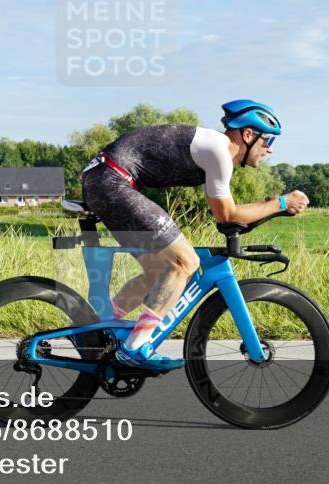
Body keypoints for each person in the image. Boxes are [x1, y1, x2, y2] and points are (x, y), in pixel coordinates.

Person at [80, 100, 309, 371]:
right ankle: (135, 347)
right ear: (248, 135)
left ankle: (101, 333)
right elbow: (227, 215)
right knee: (185, 262)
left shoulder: (216, 151)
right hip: (113, 182)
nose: (270, 148)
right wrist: (281, 203)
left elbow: (228, 214)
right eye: (268, 139)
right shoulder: (219, 153)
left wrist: (273, 208)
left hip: (105, 179)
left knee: (158, 271)